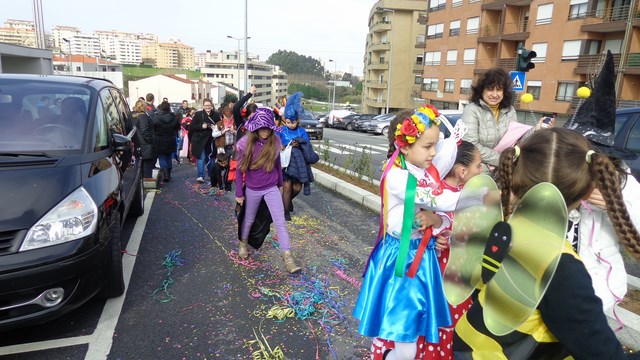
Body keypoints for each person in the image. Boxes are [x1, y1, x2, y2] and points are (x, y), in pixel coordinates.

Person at [453, 127, 640, 359]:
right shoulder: (560, 266)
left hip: (473, 345)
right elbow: (602, 353)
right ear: (587, 190)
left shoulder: (498, 226)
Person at [354, 105, 463, 360]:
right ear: (404, 146)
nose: (433, 153)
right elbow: (436, 198)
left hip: (422, 257)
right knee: (404, 333)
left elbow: (442, 214)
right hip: (401, 262)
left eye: (435, 146)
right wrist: (475, 197)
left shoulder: (424, 172)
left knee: (411, 332)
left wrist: (436, 220)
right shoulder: (397, 177)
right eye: (427, 147)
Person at [562, 50, 640, 312]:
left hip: (598, 290)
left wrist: (614, 204)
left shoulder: (624, 184)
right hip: (555, 287)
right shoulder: (559, 173)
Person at [235, 108, 301, 274]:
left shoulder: (275, 142)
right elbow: (239, 171)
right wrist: (239, 194)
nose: (265, 130)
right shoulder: (245, 144)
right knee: (249, 219)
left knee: (280, 222)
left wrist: (279, 183)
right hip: (252, 189)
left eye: (268, 127)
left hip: (271, 188)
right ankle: (243, 242)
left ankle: (288, 257)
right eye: (262, 127)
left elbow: (278, 164)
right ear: (256, 127)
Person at [461, 67, 549, 175]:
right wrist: (503, 159)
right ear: (481, 90)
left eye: (499, 90)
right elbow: (471, 145)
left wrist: (536, 130)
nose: (494, 94)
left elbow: (516, 140)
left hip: (503, 170)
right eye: (490, 89)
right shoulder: (472, 110)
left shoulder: (509, 110)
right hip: (479, 170)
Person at [277, 92, 319, 221]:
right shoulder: (281, 130)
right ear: (285, 121)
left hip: (299, 164)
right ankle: (285, 212)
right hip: (285, 164)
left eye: (293, 122)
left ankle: (287, 202)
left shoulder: (302, 131)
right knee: (287, 186)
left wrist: (299, 144)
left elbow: (307, 146)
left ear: (298, 120)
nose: (290, 124)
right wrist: (280, 146)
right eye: (288, 122)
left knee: (297, 187)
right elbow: (273, 141)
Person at [190, 99, 220, 183]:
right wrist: (201, 126)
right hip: (199, 140)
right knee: (201, 157)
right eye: (206, 105)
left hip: (210, 140)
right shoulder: (198, 114)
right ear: (203, 106)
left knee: (210, 158)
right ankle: (200, 176)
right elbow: (192, 127)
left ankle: (212, 175)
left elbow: (220, 126)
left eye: (209, 105)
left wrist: (215, 127)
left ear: (212, 106)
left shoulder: (216, 115)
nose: (208, 107)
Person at [154, 101, 181, 183]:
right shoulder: (173, 117)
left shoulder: (156, 117)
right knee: (169, 156)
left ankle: (165, 172)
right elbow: (177, 127)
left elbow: (154, 127)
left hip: (160, 139)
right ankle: (168, 172)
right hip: (170, 138)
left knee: (162, 157)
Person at [131, 99, 156, 182]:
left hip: (138, 141)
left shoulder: (133, 116)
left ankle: (141, 177)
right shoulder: (142, 116)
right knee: (147, 160)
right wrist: (150, 140)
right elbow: (144, 130)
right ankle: (147, 176)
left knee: (140, 160)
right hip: (145, 142)